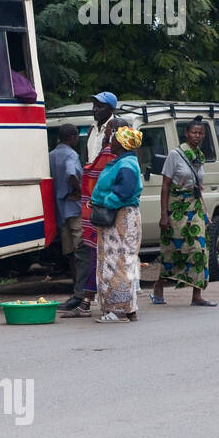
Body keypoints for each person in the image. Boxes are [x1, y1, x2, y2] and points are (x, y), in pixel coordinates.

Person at [60, 110, 123, 319]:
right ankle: (92, 301)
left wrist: (100, 201)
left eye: (109, 132)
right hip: (100, 214)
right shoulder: (112, 156)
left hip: (108, 215)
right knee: (99, 257)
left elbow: (119, 189)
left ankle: (102, 303)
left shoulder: (115, 158)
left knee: (104, 259)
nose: (105, 135)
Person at [150, 116, 216, 308]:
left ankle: (197, 295)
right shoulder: (175, 155)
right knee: (173, 251)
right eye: (194, 132)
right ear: (186, 134)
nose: (197, 136)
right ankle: (159, 286)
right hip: (176, 210)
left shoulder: (199, 156)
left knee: (199, 249)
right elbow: (165, 187)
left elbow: (197, 185)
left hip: (194, 208)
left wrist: (205, 212)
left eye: (201, 133)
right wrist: (164, 215)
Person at [91, 125, 144, 324]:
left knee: (116, 263)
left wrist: (105, 203)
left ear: (122, 144)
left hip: (120, 218)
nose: (110, 143)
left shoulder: (126, 166)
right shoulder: (125, 162)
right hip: (122, 217)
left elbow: (123, 192)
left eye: (114, 140)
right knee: (125, 262)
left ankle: (118, 311)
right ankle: (129, 308)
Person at [50, 124, 86, 311]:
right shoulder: (71, 155)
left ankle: (76, 290)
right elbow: (72, 172)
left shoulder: (51, 155)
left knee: (71, 254)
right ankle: (82, 293)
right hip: (73, 209)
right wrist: (78, 190)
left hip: (60, 211)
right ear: (72, 137)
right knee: (81, 253)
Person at [86, 91, 118, 162]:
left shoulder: (118, 128)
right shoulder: (92, 129)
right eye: (94, 105)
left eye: (99, 106)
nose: (94, 109)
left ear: (111, 109)